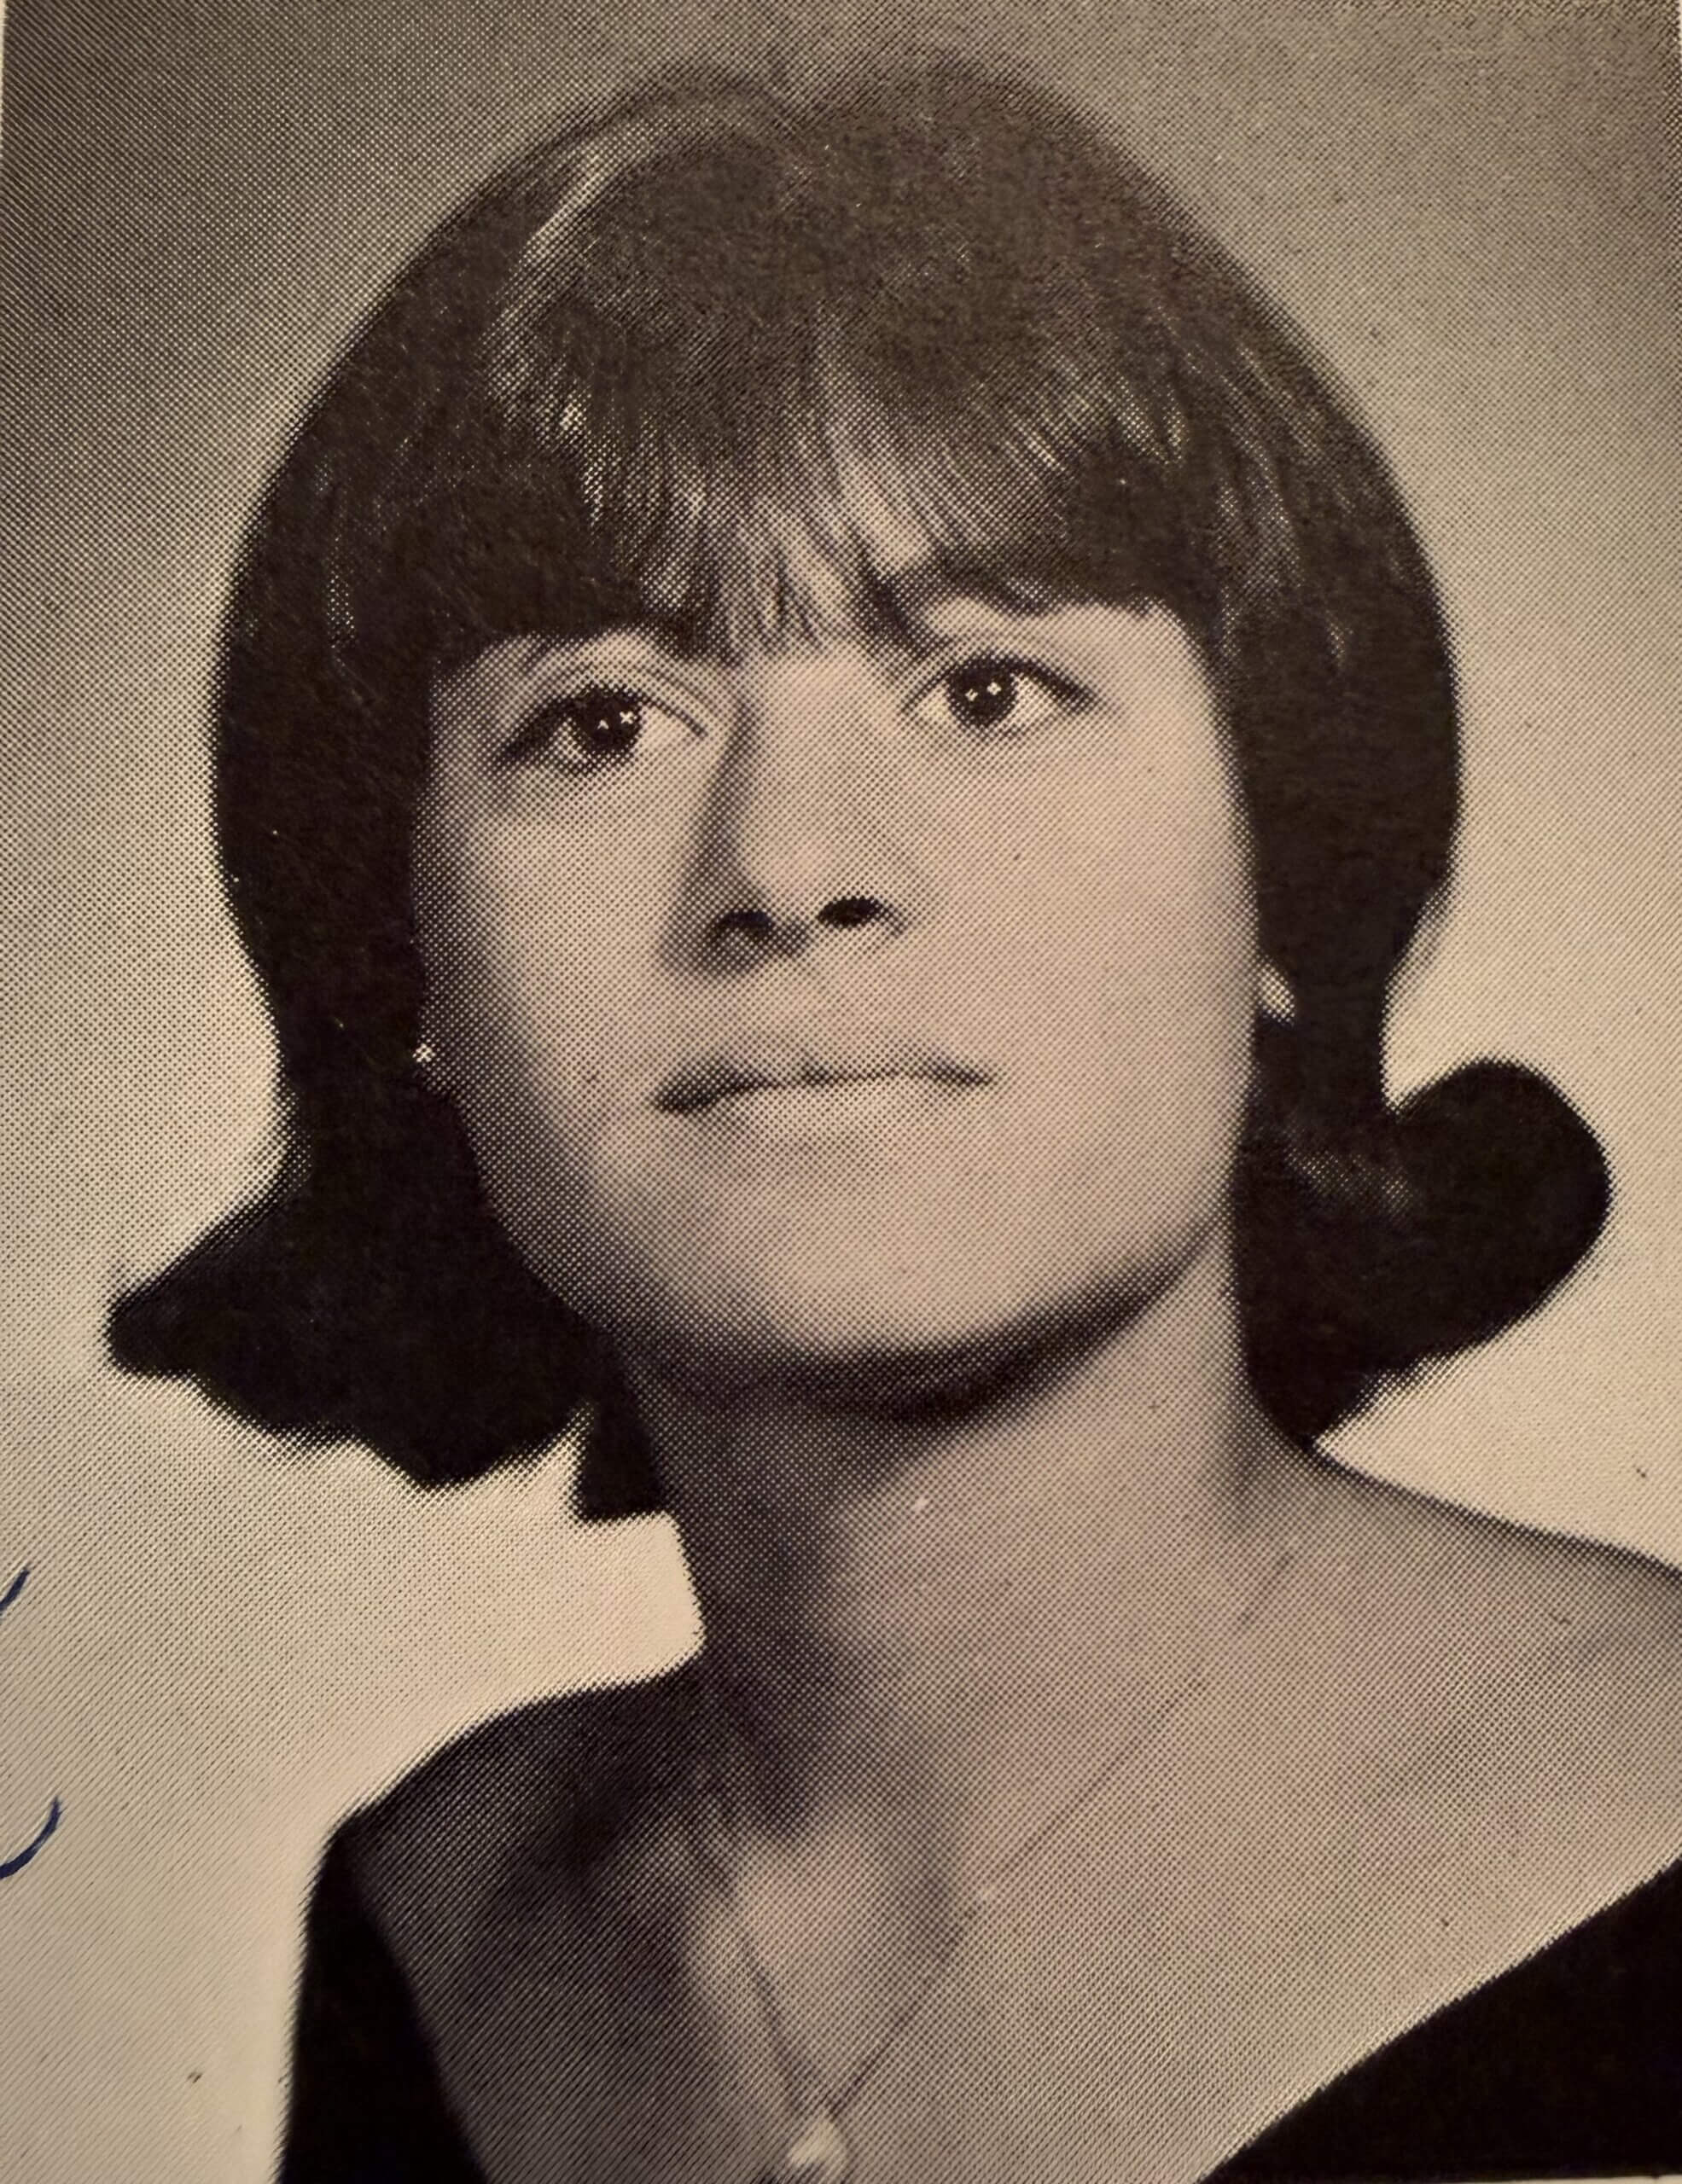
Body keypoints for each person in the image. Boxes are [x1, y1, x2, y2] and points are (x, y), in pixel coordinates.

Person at [110, 61, 1682, 2184]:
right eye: (601, 718)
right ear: (401, 965)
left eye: (984, 688)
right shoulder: (440, 1927)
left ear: (1281, 875)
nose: (789, 865)